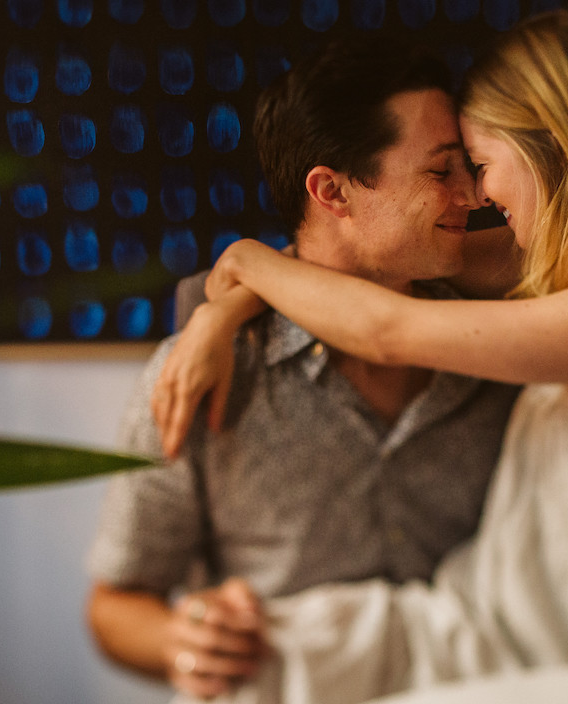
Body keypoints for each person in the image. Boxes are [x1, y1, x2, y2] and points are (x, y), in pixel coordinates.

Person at [155, 9, 568, 704]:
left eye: (480, 166)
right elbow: (358, 275)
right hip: (481, 628)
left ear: (553, 147)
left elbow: (387, 328)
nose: (478, 196)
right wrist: (222, 314)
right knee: (264, 658)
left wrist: (242, 258)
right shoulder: (560, 266)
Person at [85, 35, 522, 701]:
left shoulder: (498, 334)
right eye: (440, 172)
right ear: (333, 191)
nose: (473, 193)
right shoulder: (206, 374)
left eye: (469, 167)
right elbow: (115, 603)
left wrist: (232, 294)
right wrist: (185, 640)